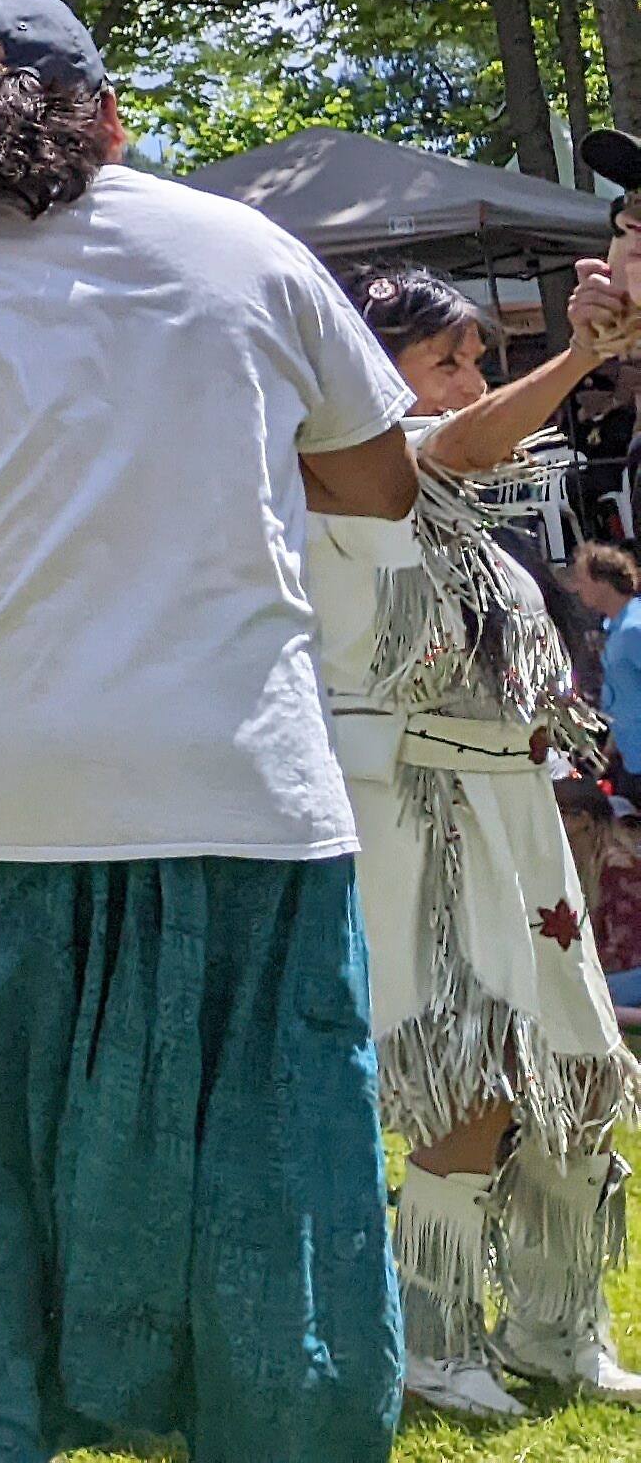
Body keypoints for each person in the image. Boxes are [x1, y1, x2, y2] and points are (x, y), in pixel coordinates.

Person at [0, 0, 415, 1463]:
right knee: (274, 1190)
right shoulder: (250, 250)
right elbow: (381, 481)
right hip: (242, 801)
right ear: (110, 116)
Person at [315, 266, 641, 1412]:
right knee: (472, 1075)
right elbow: (452, 445)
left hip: (512, 808)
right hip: (416, 807)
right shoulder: (341, 480)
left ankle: (556, 1326)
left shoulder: (477, 534)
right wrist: (583, 355)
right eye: (444, 361)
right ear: (372, 374)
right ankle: (434, 1336)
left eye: (476, 362)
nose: (469, 383)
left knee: (582, 1065)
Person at [579, 540, 641, 775]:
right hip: (629, 762)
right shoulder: (613, 630)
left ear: (603, 583)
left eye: (583, 581)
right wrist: (609, 751)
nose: (578, 588)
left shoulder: (633, 629)